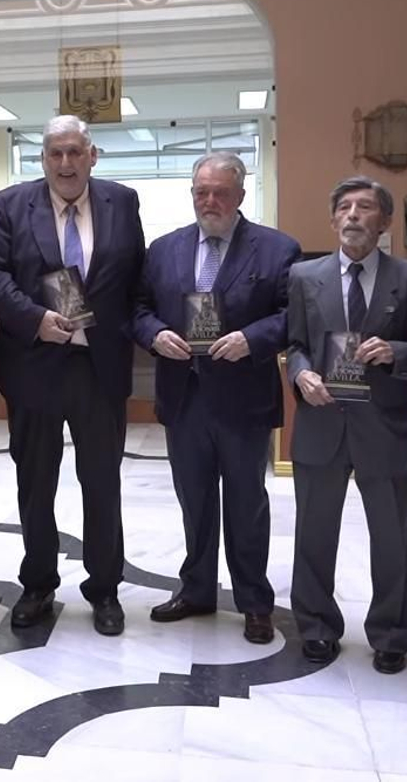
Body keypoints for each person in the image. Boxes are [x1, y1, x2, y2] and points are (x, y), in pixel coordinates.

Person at [0, 114, 146, 636]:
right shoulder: (9, 205)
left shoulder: (122, 202)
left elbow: (135, 278)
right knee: (36, 482)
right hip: (34, 365)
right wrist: (34, 319)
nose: (65, 163)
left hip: (100, 367)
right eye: (55, 153)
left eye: (75, 152)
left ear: (92, 155)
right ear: (42, 158)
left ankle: (105, 588)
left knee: (102, 482)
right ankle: (38, 585)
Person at [131, 151, 300, 644]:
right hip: (184, 398)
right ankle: (197, 590)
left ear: (240, 195)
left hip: (244, 399)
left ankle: (254, 602)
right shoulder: (164, 249)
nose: (210, 201)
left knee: (246, 505)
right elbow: (138, 308)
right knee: (195, 502)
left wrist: (252, 339)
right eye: (201, 192)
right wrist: (155, 334)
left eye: (220, 193)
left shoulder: (277, 250)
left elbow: (294, 315)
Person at [285, 176, 407, 672]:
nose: (352, 215)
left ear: (384, 221)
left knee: (393, 537)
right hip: (321, 422)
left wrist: (397, 352)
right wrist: (300, 373)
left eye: (365, 207)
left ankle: (392, 633)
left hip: (385, 427)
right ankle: (316, 626)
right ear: (332, 219)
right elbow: (295, 343)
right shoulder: (304, 277)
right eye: (344, 207)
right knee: (314, 533)